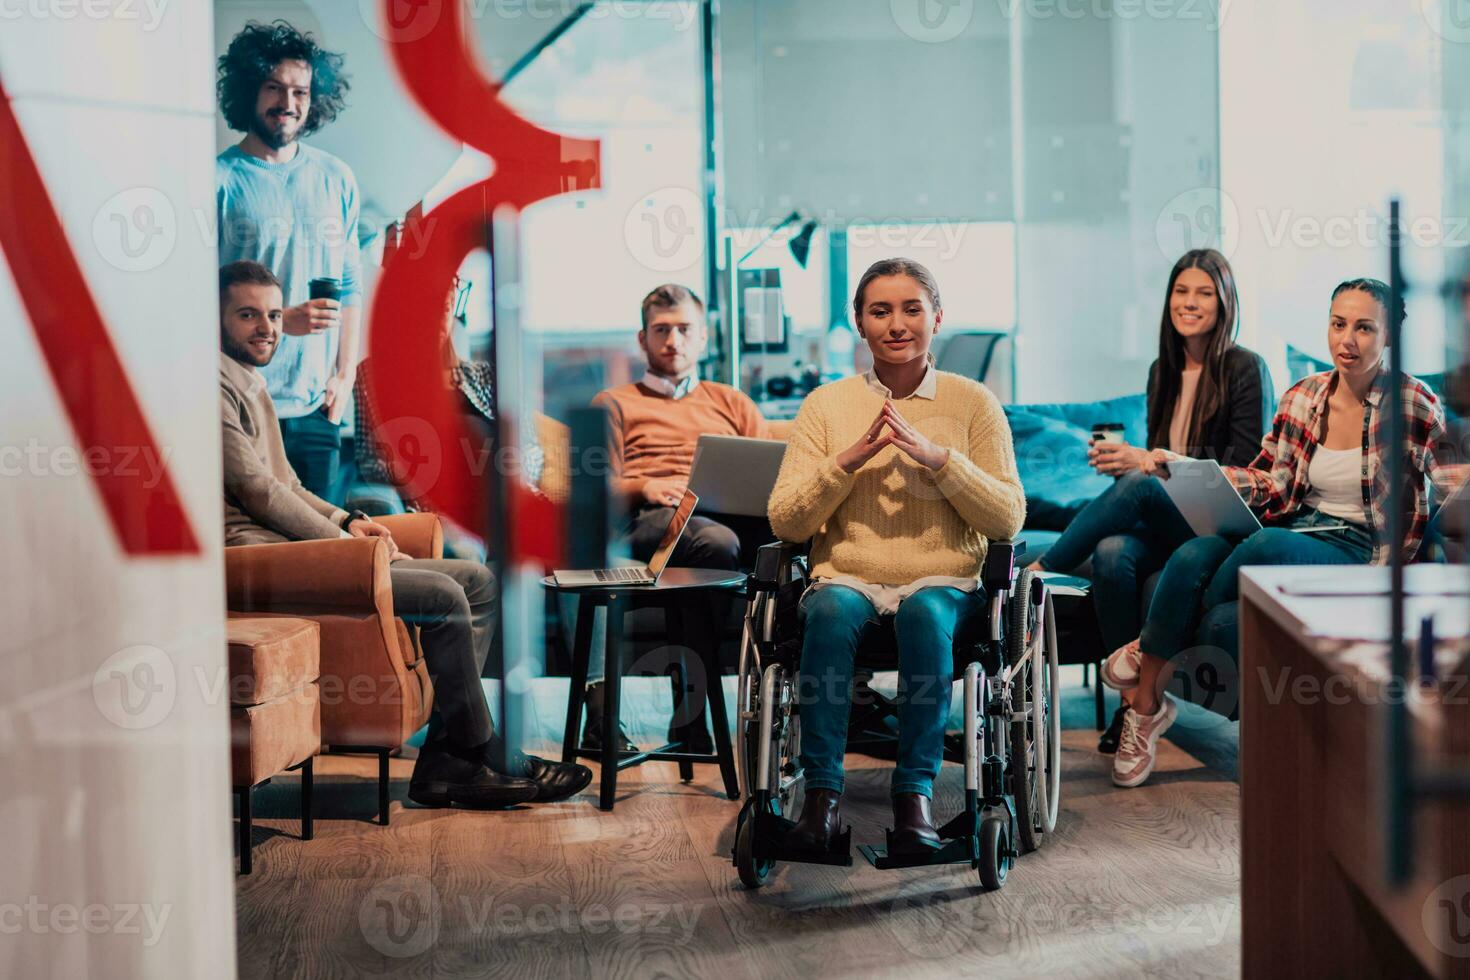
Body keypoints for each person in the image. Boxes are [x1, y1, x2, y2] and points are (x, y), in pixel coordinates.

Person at [218, 261, 591, 808]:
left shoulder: (250, 381)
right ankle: (485, 751)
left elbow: (290, 483)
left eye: (274, 314)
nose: (267, 327)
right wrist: (346, 546)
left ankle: (447, 760)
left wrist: (345, 521)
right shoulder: (213, 387)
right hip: (256, 558)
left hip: (292, 549)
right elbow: (259, 493)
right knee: (442, 595)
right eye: (248, 314)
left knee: (477, 582)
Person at [1104, 278, 1465, 788]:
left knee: (1265, 544)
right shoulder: (1305, 395)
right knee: (1192, 554)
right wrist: (1190, 468)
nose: (1348, 340)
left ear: (1389, 336)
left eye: (1365, 328)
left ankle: (1146, 650)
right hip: (1297, 526)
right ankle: (1146, 707)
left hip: (1361, 550)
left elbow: (1448, 472)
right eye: (1339, 324)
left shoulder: (1412, 402)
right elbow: (1269, 479)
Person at [767, 258, 1026, 854]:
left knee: (923, 616)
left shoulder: (973, 403)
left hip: (943, 578)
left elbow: (1007, 517)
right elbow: (787, 519)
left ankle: (914, 802)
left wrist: (941, 461)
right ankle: (821, 802)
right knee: (828, 612)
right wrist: (845, 462)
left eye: (912, 309)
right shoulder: (826, 406)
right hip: (850, 574)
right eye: (880, 310)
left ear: (937, 317)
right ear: (858, 322)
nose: (897, 323)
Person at [1027, 249, 1273, 751]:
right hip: (1173, 516)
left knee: (1138, 485)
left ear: (1225, 303)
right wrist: (1138, 462)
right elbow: (1159, 468)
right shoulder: (1164, 370)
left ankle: (1041, 573)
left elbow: (1245, 469)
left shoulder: (1246, 368)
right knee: (1113, 552)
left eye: (1204, 293)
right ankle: (1135, 705)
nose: (1190, 303)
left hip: (1219, 523)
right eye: (1181, 292)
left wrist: (1147, 461)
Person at [579, 284, 774, 754]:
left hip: (724, 521)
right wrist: (643, 486)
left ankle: (708, 717)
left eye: (684, 329)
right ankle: (693, 717)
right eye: (661, 330)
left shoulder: (733, 402)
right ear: (642, 339)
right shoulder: (614, 402)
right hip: (647, 520)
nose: (673, 340)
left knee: (756, 541)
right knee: (714, 544)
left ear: (703, 338)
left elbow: (774, 473)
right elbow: (591, 488)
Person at [216, 21, 362, 502]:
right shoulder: (216, 179)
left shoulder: (337, 178)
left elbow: (350, 284)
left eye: (300, 91)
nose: (288, 102)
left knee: (327, 560)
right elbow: (196, 301)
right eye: (274, 88)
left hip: (317, 412)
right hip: (239, 409)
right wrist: (283, 321)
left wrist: (345, 377)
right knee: (257, 561)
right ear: (249, 90)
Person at [354, 275, 547, 514]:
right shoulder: (374, 375)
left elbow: (531, 449)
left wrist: (506, 470)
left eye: (444, 310)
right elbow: (369, 461)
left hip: (499, 497)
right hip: (437, 507)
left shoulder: (487, 376)